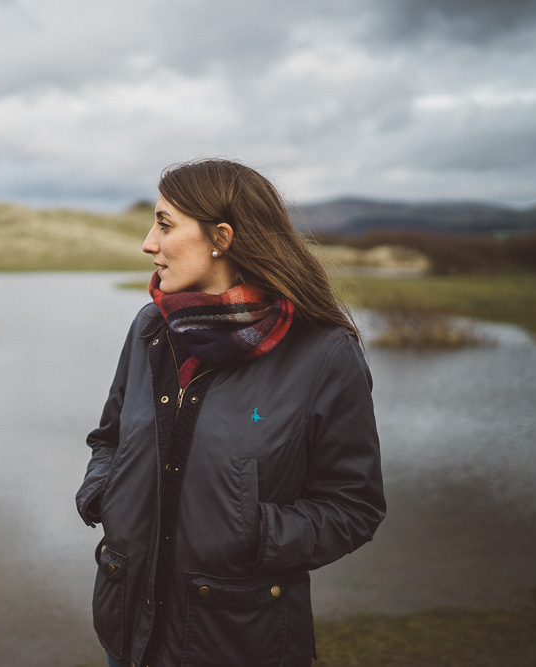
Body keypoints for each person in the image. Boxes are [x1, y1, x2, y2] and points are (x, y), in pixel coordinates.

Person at [75, 158, 385, 667]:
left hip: (237, 642)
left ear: (222, 236)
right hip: (129, 633)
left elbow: (354, 507)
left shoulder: (324, 353)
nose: (148, 243)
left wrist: (252, 533)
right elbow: (109, 438)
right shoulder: (150, 328)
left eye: (165, 224)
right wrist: (101, 493)